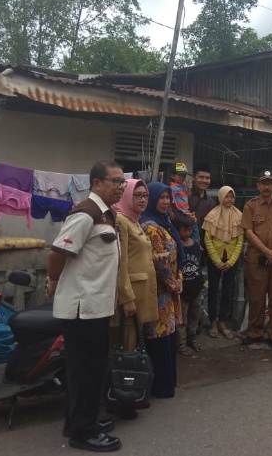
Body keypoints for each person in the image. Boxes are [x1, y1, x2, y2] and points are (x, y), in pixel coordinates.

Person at [46, 161, 124, 452]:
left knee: (91, 370)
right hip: (82, 309)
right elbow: (57, 252)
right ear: (96, 183)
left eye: (121, 182)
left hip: (97, 307)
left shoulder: (106, 214)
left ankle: (81, 420)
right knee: (85, 372)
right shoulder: (86, 215)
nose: (120, 186)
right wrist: (53, 282)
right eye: (114, 181)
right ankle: (82, 432)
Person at [109, 178, 158, 417]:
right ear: (127, 196)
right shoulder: (120, 220)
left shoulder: (135, 221)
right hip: (129, 297)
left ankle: (129, 394)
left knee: (132, 345)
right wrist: (126, 297)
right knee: (125, 348)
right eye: (137, 195)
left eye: (145, 195)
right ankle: (122, 399)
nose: (142, 199)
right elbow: (120, 263)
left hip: (140, 293)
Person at [139, 182, 185, 399]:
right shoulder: (149, 226)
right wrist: (173, 283)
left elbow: (175, 257)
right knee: (158, 338)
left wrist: (180, 278)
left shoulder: (166, 223)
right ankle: (160, 386)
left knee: (167, 337)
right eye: (161, 198)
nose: (166, 202)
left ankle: (168, 384)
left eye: (168, 198)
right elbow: (159, 263)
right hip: (158, 292)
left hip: (170, 289)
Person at [240, 170, 272, 350]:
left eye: (270, 183)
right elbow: (249, 232)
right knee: (256, 298)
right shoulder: (250, 206)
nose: (266, 187)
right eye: (263, 183)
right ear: (258, 186)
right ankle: (255, 332)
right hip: (257, 259)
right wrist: (267, 251)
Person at [203, 186, 244, 340]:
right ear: (220, 197)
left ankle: (223, 322)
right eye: (226, 196)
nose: (229, 200)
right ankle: (213, 322)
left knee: (228, 291)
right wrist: (216, 261)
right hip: (216, 259)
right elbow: (208, 240)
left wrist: (232, 261)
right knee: (213, 290)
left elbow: (240, 240)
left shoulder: (239, 216)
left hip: (231, 260)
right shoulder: (212, 215)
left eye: (232, 197)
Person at [173, 212, 204, 356]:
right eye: (184, 229)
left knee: (194, 314)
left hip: (195, 287)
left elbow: (198, 264)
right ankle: (181, 343)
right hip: (182, 289)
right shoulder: (175, 247)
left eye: (190, 229)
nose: (188, 232)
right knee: (182, 318)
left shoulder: (195, 244)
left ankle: (192, 338)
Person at [188, 162, 218, 245]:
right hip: (186, 244)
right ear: (193, 178)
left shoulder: (211, 202)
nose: (204, 180)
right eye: (201, 177)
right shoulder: (186, 196)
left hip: (205, 245)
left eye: (207, 178)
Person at [170, 162, 199, 243]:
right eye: (180, 175)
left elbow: (185, 199)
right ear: (173, 176)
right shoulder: (173, 187)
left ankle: (195, 242)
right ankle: (196, 242)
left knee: (193, 223)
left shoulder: (183, 186)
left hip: (186, 211)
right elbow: (171, 200)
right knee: (192, 223)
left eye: (184, 175)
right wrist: (171, 211)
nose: (182, 177)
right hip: (179, 212)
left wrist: (189, 192)